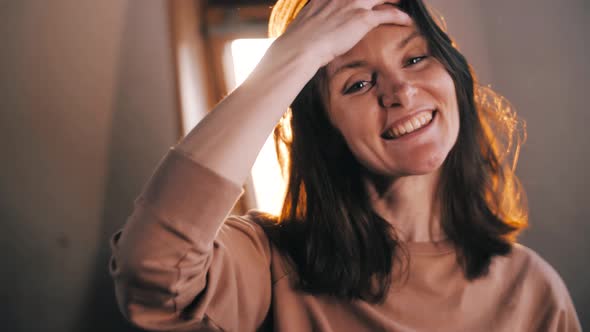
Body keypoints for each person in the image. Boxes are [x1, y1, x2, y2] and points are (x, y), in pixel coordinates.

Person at [109, 0, 582, 331]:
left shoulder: (534, 288)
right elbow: (153, 276)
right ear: (324, 130)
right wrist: (292, 57)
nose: (400, 91)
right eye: (356, 84)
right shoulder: (270, 264)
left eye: (416, 58)